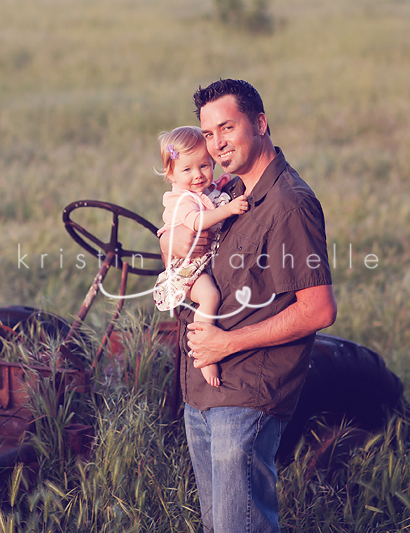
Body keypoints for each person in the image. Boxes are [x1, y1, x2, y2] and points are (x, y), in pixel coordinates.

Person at [159, 79, 337, 532]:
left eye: (227, 128)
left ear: (259, 123)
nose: (217, 145)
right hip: (204, 387)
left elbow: (318, 310)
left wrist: (225, 342)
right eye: (209, 134)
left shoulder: (289, 205)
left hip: (247, 391)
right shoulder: (227, 191)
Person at [153, 126, 250, 387]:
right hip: (186, 268)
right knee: (210, 296)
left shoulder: (203, 191)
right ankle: (203, 352)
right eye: (187, 170)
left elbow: (215, 193)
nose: (197, 175)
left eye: (204, 166)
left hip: (202, 263)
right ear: (170, 173)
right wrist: (229, 209)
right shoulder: (182, 199)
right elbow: (197, 221)